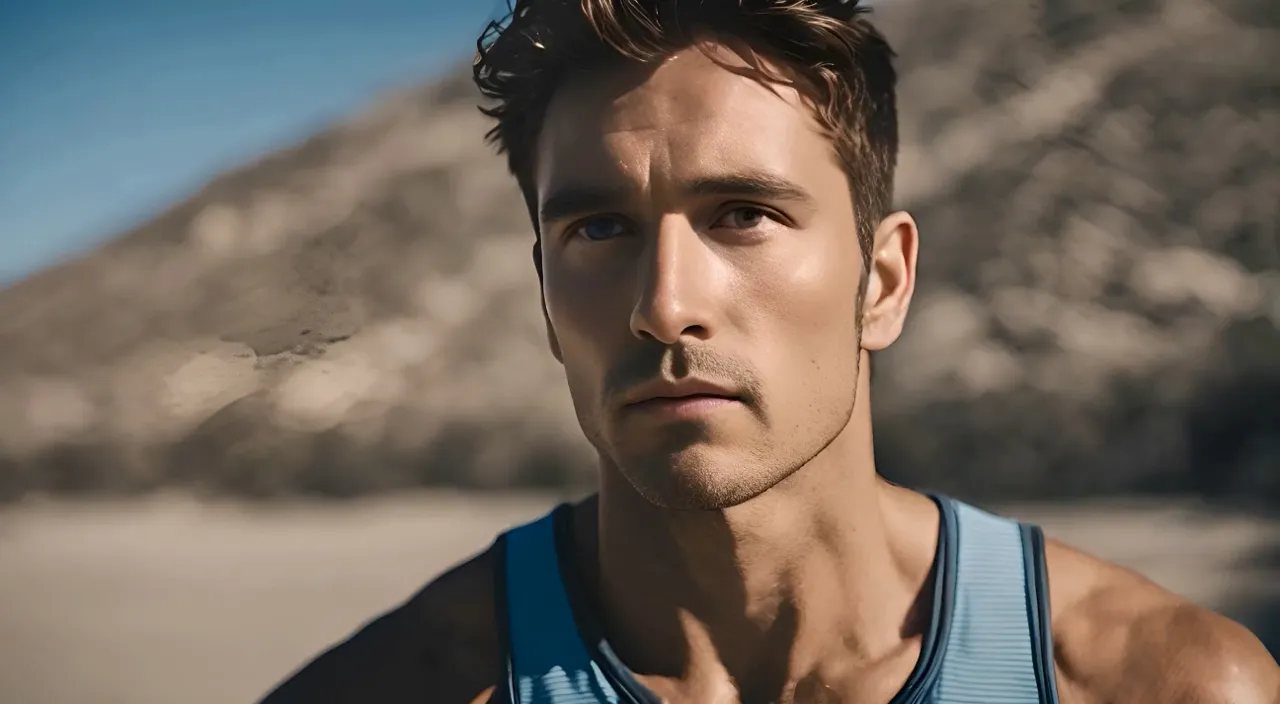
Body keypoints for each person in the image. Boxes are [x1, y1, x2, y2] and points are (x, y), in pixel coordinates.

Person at [259, 1, 1280, 702]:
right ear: (541, 295)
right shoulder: (400, 684)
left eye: (741, 213)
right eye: (598, 230)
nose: (663, 306)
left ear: (880, 282)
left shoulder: (1156, 682)